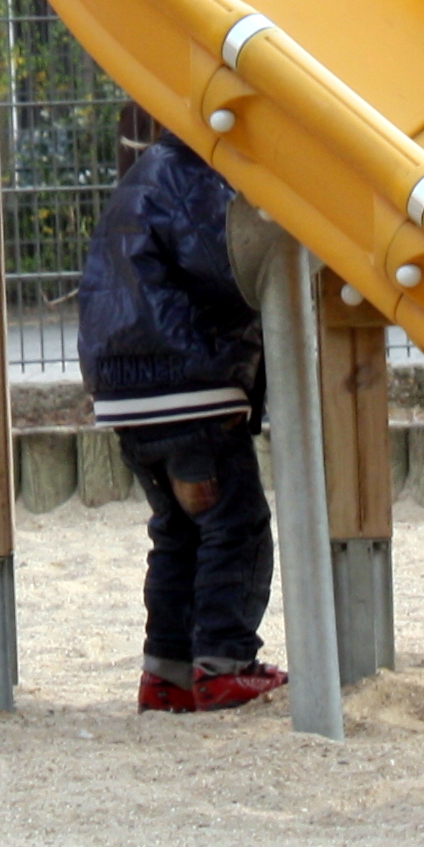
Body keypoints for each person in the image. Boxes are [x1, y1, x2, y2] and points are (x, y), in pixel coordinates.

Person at [76, 130, 287, 715]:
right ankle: (224, 662)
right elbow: (228, 264)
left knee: (178, 532)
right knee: (235, 526)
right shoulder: (190, 173)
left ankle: (166, 671)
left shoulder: (143, 176)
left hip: (127, 392)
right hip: (187, 385)